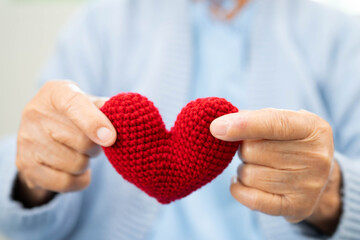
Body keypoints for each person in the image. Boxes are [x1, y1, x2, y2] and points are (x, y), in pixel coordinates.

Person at [1, 0, 360, 239]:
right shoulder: (101, 23)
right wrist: (33, 180)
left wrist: (333, 193)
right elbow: (25, 203)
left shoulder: (341, 37)